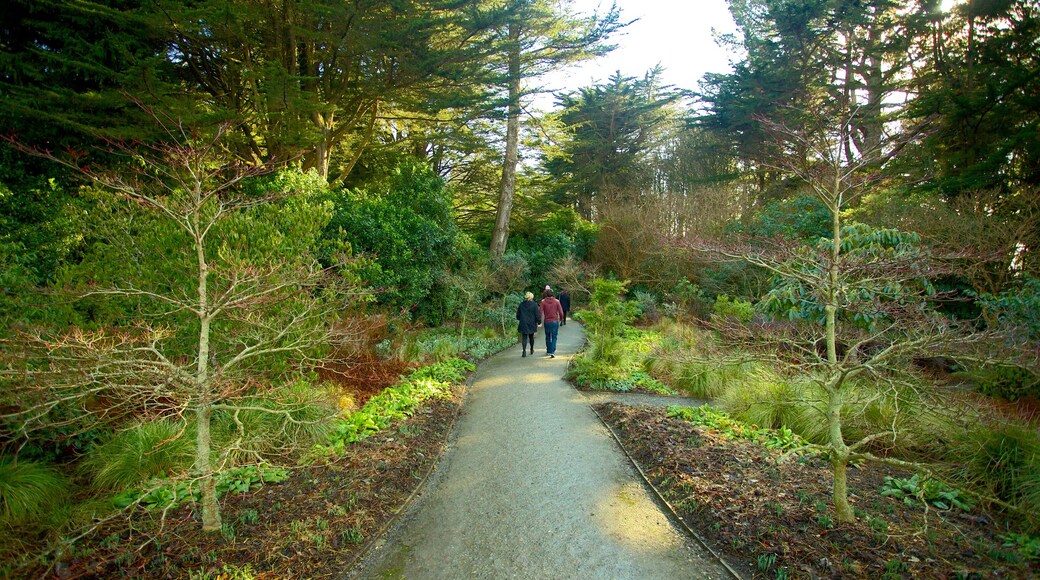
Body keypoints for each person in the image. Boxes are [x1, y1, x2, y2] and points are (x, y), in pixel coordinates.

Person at [539, 287, 565, 358]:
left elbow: (540, 313)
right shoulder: (557, 301)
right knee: (554, 337)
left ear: (546, 294)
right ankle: (553, 351)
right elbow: (561, 312)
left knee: (547, 336)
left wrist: (539, 322)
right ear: (552, 294)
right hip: (554, 321)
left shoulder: (543, 302)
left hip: (547, 322)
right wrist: (561, 319)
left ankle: (548, 351)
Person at [516, 291, 541, 357]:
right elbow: (537, 315)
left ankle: (524, 351)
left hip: (523, 323)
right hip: (531, 323)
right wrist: (539, 321)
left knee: (524, 337)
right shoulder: (534, 305)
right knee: (531, 337)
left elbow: (518, 314)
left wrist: (520, 319)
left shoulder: (521, 304)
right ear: (532, 297)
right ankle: (531, 349)